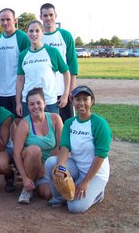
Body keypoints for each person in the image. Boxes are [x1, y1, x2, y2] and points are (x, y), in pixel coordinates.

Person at [45, 85, 112, 213]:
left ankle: (98, 194)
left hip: (96, 174)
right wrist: (61, 166)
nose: (81, 103)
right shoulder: (70, 123)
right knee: (51, 163)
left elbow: (101, 155)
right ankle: (60, 197)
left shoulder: (99, 124)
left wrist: (86, 181)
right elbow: (65, 146)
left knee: (75, 207)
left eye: (85, 99)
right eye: (77, 99)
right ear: (72, 101)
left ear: (91, 101)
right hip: (77, 167)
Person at [13, 87, 63, 204]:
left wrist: (45, 167)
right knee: (34, 150)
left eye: (38, 103)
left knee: (47, 194)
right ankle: (27, 188)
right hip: (30, 164)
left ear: (44, 103)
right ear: (28, 106)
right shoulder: (25, 123)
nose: (35, 107)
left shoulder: (55, 119)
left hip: (48, 167)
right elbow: (16, 153)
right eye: (31, 104)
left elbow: (61, 146)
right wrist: (24, 178)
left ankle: (37, 184)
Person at [16, 20, 71, 117]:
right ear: (27, 33)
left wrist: (65, 95)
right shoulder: (23, 55)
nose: (34, 34)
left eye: (37, 31)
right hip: (28, 102)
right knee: (30, 131)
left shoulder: (52, 52)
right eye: (31, 31)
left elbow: (66, 72)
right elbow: (20, 80)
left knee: (51, 130)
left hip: (49, 101)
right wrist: (18, 102)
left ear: (42, 32)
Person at [40, 3, 78, 122]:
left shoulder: (65, 35)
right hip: (43, 91)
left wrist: (71, 89)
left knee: (66, 124)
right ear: (40, 17)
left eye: (51, 15)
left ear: (56, 15)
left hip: (62, 90)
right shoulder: (36, 36)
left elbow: (72, 63)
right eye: (45, 15)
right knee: (47, 125)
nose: (48, 18)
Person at [0, 8, 29, 121]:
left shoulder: (22, 38)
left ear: (15, 20)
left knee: (19, 122)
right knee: (4, 123)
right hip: (1, 91)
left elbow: (27, 66)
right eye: (2, 20)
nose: (5, 23)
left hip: (17, 91)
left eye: (8, 19)